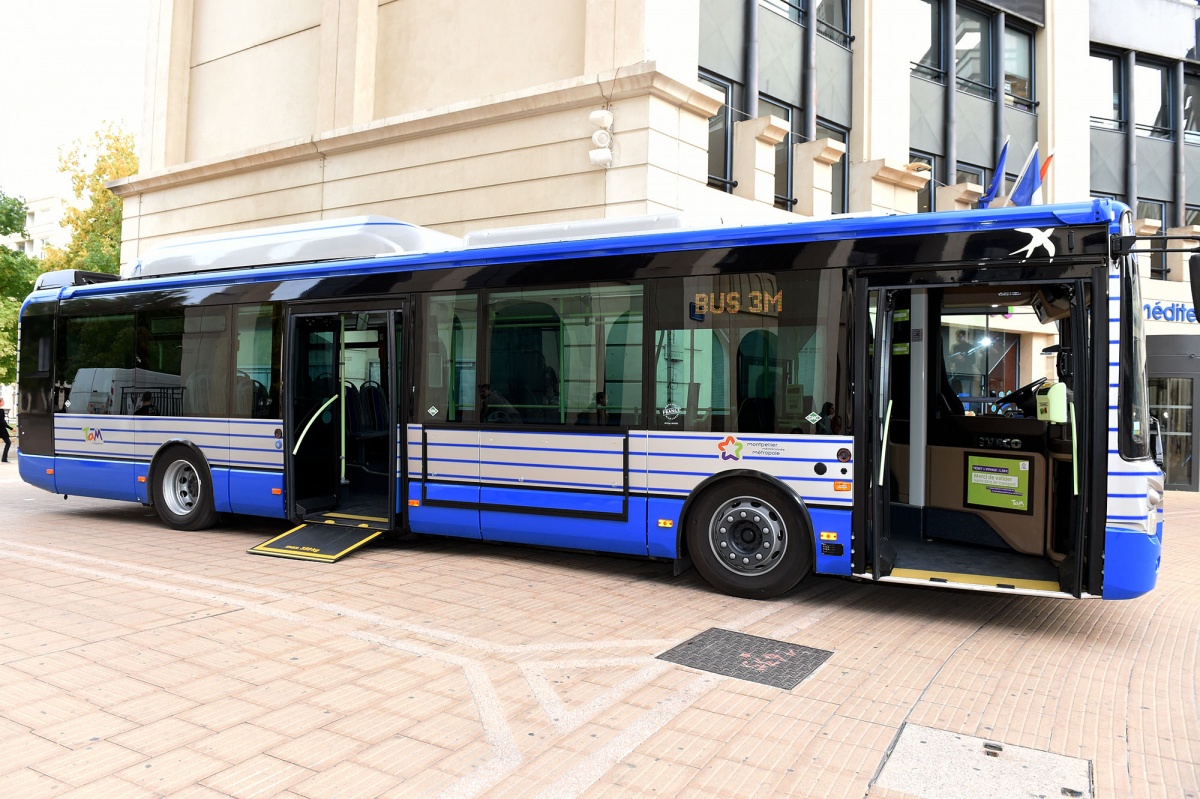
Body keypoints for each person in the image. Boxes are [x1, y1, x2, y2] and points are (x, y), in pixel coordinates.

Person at [0, 398, 12, 462]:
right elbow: (2, 421)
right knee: (8, 443)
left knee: (8, 443)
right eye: (3, 401)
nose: (3, 402)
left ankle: (4, 458)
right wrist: (11, 428)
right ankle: (4, 458)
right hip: (1, 430)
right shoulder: (1, 411)